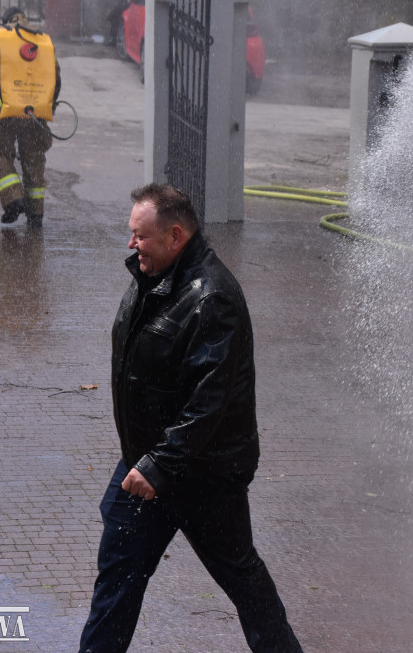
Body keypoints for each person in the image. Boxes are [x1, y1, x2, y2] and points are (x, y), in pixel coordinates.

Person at [78, 184, 302, 653]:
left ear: (175, 236)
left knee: (241, 578)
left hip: (203, 475)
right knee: (117, 576)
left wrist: (159, 464)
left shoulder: (212, 297)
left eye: (140, 235)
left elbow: (208, 402)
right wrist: (147, 462)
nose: (131, 244)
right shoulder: (154, 276)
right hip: (146, 465)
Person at [0, 6, 60, 228]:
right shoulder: (44, 39)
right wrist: (48, 108)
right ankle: (36, 213)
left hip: (5, 110)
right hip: (35, 113)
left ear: (6, 20)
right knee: (34, 158)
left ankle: (13, 199)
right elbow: (56, 77)